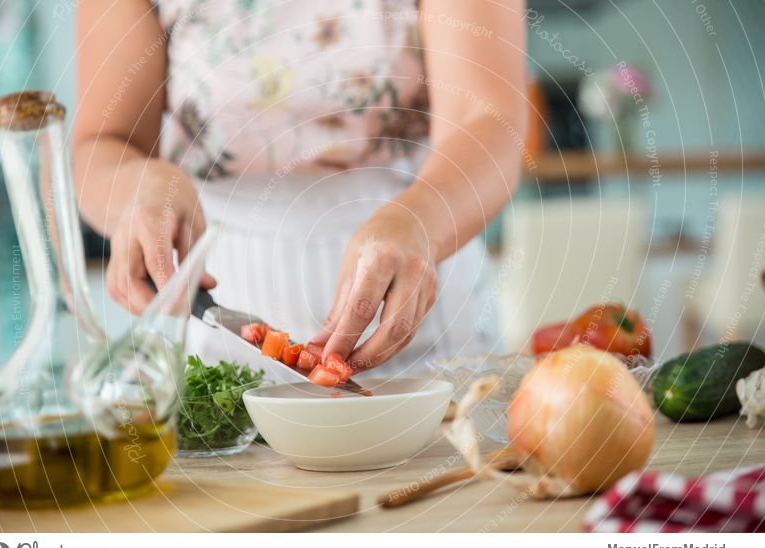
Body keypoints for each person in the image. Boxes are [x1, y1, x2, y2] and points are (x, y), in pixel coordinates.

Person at [74, 0, 527, 375]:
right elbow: (102, 144)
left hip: (431, 335)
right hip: (217, 348)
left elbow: (488, 118)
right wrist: (141, 187)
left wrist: (421, 221)